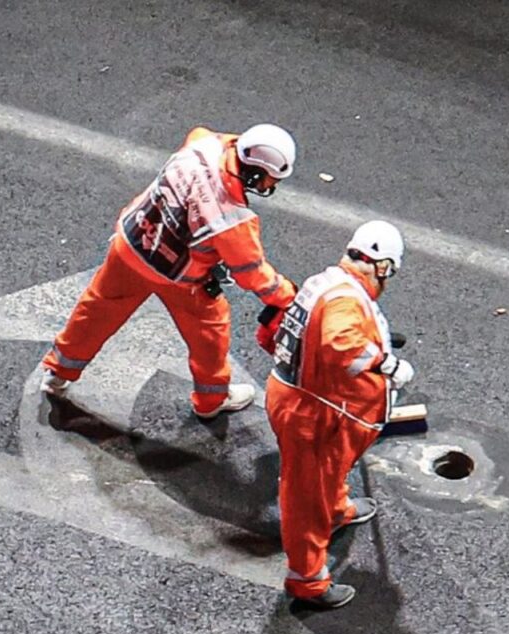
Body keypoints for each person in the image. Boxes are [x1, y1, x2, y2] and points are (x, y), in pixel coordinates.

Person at [40, 123, 299, 420]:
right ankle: (211, 399)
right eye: (269, 180)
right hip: (178, 276)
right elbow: (251, 274)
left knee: (96, 310)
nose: (269, 187)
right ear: (253, 173)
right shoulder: (232, 219)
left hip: (131, 245)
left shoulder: (204, 144)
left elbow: (205, 135)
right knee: (210, 333)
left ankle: (58, 373)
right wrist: (286, 295)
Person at [264, 220, 415, 609]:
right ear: (382, 266)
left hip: (309, 403)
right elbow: (339, 343)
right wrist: (385, 362)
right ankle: (308, 582)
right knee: (305, 499)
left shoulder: (328, 281)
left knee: (326, 475)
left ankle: (337, 509)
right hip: (312, 414)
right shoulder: (346, 300)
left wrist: (377, 338)